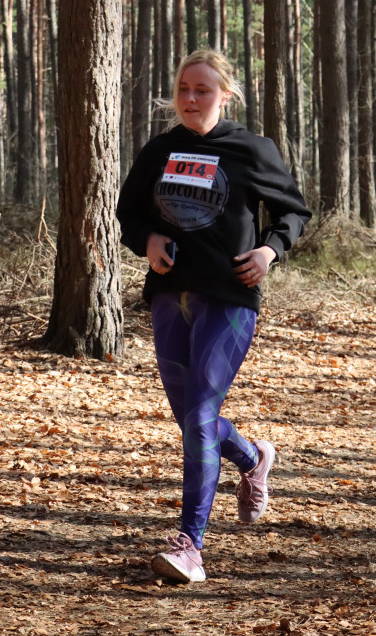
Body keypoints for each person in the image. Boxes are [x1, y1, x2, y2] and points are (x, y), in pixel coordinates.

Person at [116, 49, 311, 583]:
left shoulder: (251, 150)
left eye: (203, 89)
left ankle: (190, 546)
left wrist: (270, 250)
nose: (191, 99)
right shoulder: (160, 150)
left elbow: (295, 211)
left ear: (226, 94)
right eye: (184, 89)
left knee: (200, 413)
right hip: (168, 295)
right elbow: (128, 213)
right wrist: (150, 239)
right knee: (191, 420)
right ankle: (252, 459)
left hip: (229, 298)